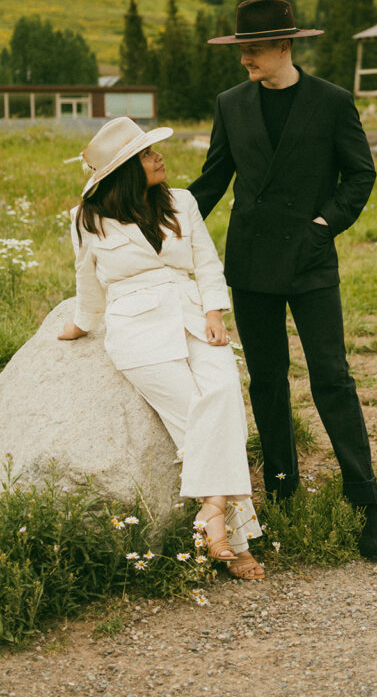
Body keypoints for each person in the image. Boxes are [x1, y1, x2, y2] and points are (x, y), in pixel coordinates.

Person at [189, 0, 377, 561]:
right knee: (268, 382)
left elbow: (360, 174)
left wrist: (323, 227)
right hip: (251, 264)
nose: (244, 58)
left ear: (285, 46)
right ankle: (282, 495)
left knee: (332, 377)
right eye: (240, 48)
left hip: (310, 259)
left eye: (252, 48)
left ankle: (365, 503)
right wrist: (157, 220)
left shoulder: (331, 101)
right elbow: (212, 181)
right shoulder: (231, 104)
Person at [58, 116, 264, 580]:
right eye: (148, 154)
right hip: (138, 330)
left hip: (193, 315)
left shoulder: (182, 201)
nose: (159, 157)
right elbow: (87, 281)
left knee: (225, 396)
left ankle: (212, 511)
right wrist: (81, 324)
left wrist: (215, 312)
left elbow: (206, 260)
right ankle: (238, 537)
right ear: (127, 169)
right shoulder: (86, 218)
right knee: (196, 415)